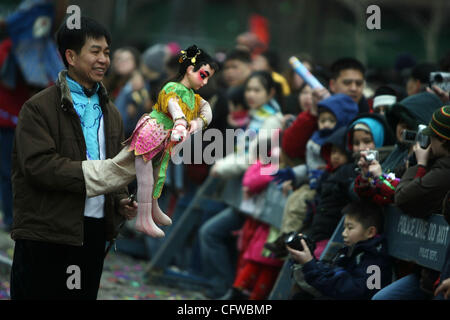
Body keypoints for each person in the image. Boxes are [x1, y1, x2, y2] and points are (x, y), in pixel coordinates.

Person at [10, 16, 137, 300]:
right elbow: (38, 166)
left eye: (106, 52)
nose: (104, 59)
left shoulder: (111, 112)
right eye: (95, 51)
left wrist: (120, 200)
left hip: (91, 230)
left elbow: (113, 165)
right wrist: (98, 174)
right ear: (70, 55)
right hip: (47, 231)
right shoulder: (39, 107)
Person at [199, 70, 283, 298]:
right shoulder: (255, 115)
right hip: (245, 194)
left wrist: (221, 167)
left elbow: (253, 157)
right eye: (249, 89)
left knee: (210, 233)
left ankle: (228, 289)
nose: (251, 94)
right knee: (221, 237)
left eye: (257, 90)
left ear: (271, 93)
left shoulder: (271, 120)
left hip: (258, 196)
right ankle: (227, 288)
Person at [372, 105, 450, 300]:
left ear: (443, 140)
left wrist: (420, 164)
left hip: (439, 275)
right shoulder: (439, 163)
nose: (428, 141)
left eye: (432, 136)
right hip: (429, 272)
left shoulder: (444, 171)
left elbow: (404, 197)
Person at [287, 200, 393, 300]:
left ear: (370, 232)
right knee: (300, 294)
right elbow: (333, 275)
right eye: (344, 228)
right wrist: (307, 262)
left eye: (350, 228)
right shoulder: (350, 251)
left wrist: (310, 265)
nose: (344, 233)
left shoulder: (375, 260)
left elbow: (355, 292)